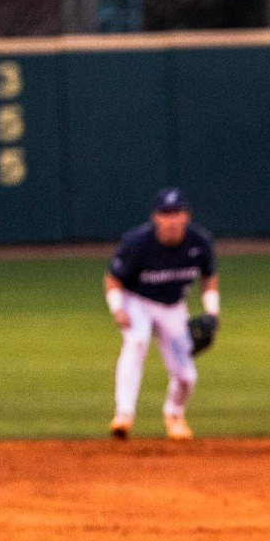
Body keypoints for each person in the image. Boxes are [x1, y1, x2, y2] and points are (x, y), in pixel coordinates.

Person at [104, 188, 219, 441]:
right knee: (136, 341)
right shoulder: (137, 243)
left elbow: (209, 277)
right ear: (155, 217)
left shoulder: (199, 242)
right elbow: (113, 279)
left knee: (187, 376)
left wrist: (212, 312)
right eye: (166, 213)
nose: (172, 219)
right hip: (138, 302)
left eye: (177, 213)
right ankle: (123, 415)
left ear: (186, 216)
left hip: (173, 307)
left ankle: (174, 415)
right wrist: (118, 308)